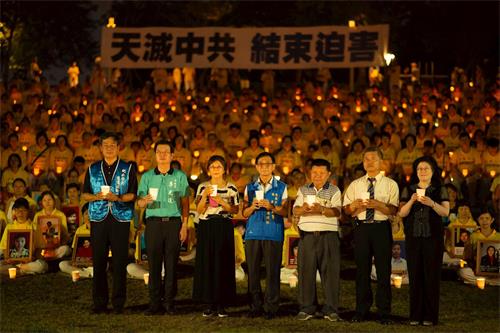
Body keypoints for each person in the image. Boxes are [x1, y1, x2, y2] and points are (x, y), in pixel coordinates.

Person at [81, 132, 137, 314]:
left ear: (118, 146)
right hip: (98, 218)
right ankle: (99, 302)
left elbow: (133, 194)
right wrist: (96, 197)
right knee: (98, 261)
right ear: (100, 148)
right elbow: (84, 194)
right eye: (105, 145)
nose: (109, 148)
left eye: (112, 145)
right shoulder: (93, 169)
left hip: (120, 218)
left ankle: (119, 303)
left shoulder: (127, 168)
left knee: (120, 262)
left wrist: (118, 197)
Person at [343, 147, 399, 325]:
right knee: (362, 271)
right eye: (366, 159)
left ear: (381, 162)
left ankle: (384, 311)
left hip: (381, 228)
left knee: (383, 270)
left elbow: (393, 209)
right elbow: (346, 210)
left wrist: (377, 205)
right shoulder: (355, 184)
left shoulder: (390, 184)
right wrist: (354, 206)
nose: (369, 162)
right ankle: (361, 309)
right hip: (361, 229)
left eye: (373, 159)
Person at [136, 140, 189, 316]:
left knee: (172, 264)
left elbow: (185, 201)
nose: (163, 154)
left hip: (173, 223)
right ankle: (154, 302)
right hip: (153, 223)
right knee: (154, 264)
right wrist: (143, 201)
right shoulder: (147, 177)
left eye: (166, 152)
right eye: (159, 151)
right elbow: (140, 201)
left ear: (172, 155)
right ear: (155, 154)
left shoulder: (180, 176)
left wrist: (184, 225)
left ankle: (169, 302)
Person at [398, 156, 450, 326]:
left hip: (433, 238)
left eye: (426, 168)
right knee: (415, 275)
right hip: (414, 238)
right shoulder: (409, 189)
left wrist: (432, 203)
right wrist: (412, 201)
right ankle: (415, 315)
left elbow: (445, 212)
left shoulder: (439, 189)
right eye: (419, 168)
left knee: (431, 276)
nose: (422, 171)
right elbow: (402, 213)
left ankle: (430, 316)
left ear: (433, 171)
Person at [292, 158, 343, 322]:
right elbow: (296, 210)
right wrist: (304, 209)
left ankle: (331, 308)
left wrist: (321, 209)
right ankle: (307, 308)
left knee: (330, 274)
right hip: (307, 235)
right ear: (310, 173)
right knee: (306, 272)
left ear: (328, 174)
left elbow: (336, 212)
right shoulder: (303, 190)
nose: (318, 176)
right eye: (314, 172)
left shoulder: (335, 190)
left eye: (322, 173)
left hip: (328, 236)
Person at [242, 152, 288, 319]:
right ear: (256, 167)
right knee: (253, 272)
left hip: (273, 233)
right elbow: (244, 213)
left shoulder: (281, 186)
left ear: (273, 167)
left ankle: (271, 307)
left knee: (272, 272)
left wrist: (272, 207)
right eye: (261, 164)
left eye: (268, 164)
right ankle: (255, 306)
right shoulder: (250, 187)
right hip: (253, 232)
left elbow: (284, 211)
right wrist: (253, 207)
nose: (264, 167)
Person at [193, 155, 239, 317]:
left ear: (225, 169)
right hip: (206, 225)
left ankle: (221, 302)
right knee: (207, 262)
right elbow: (198, 210)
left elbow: (235, 210)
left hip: (223, 225)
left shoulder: (231, 188)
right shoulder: (202, 187)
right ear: (208, 170)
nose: (216, 170)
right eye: (212, 167)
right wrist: (205, 196)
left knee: (222, 262)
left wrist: (222, 201)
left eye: (219, 166)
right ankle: (208, 302)